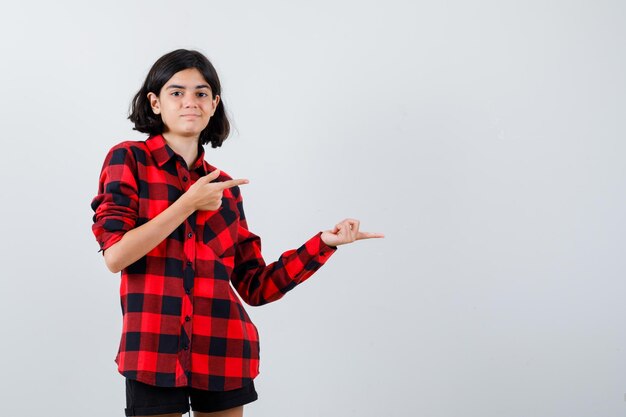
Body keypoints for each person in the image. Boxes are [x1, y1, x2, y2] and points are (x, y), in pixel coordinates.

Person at [91, 49, 384, 417]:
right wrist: (187, 204)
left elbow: (255, 287)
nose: (189, 102)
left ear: (214, 104)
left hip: (224, 350)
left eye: (201, 93)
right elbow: (116, 256)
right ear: (155, 102)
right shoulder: (128, 159)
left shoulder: (225, 188)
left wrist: (324, 244)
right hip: (152, 350)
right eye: (176, 92)